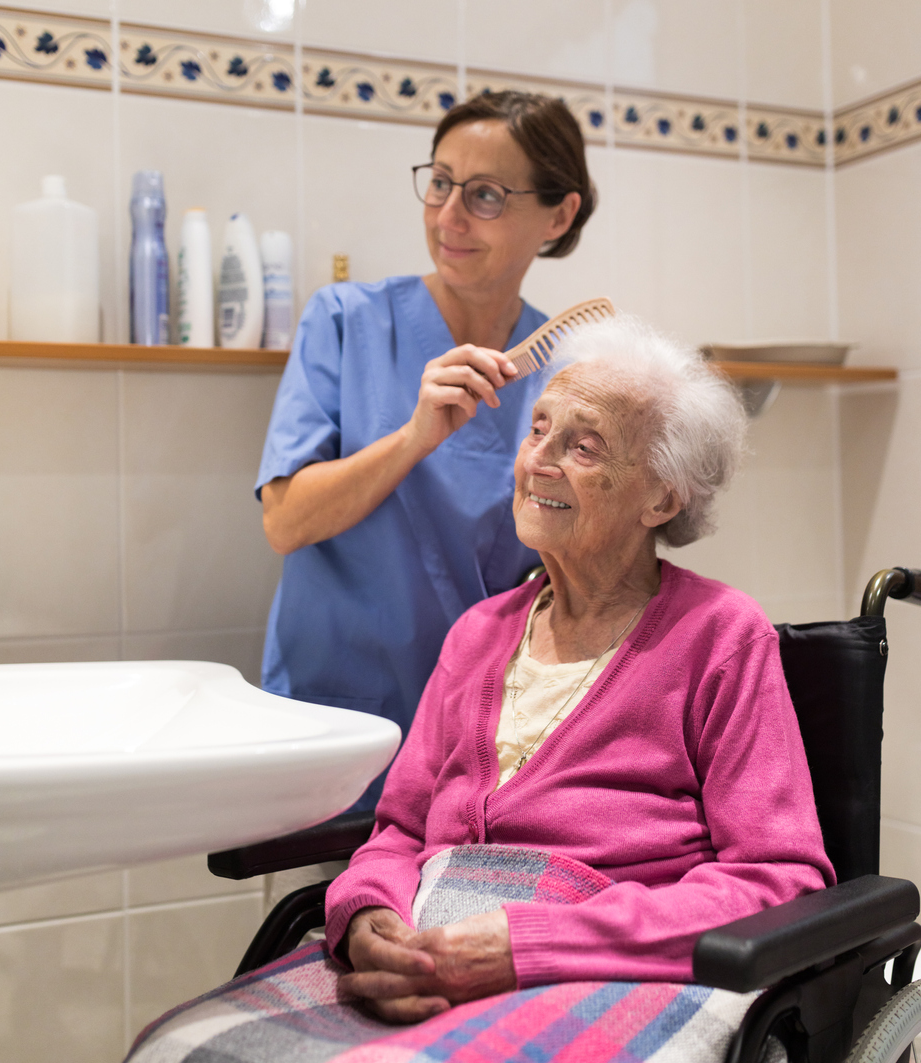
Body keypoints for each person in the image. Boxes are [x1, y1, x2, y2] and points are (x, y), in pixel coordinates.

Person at [126, 316, 835, 1063]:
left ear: (660, 498)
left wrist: (528, 940)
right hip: (429, 938)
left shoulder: (720, 634)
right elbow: (398, 831)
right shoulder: (478, 633)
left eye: (582, 444)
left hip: (610, 964)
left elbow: (776, 874)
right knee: (179, 1046)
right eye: (537, 430)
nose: (539, 462)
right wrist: (369, 917)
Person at [256, 91, 594, 810]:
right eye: (439, 183)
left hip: (493, 737)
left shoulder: (566, 366)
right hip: (339, 721)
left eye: (485, 195)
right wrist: (414, 438)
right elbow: (284, 521)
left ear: (557, 215)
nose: (448, 217)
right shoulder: (345, 321)